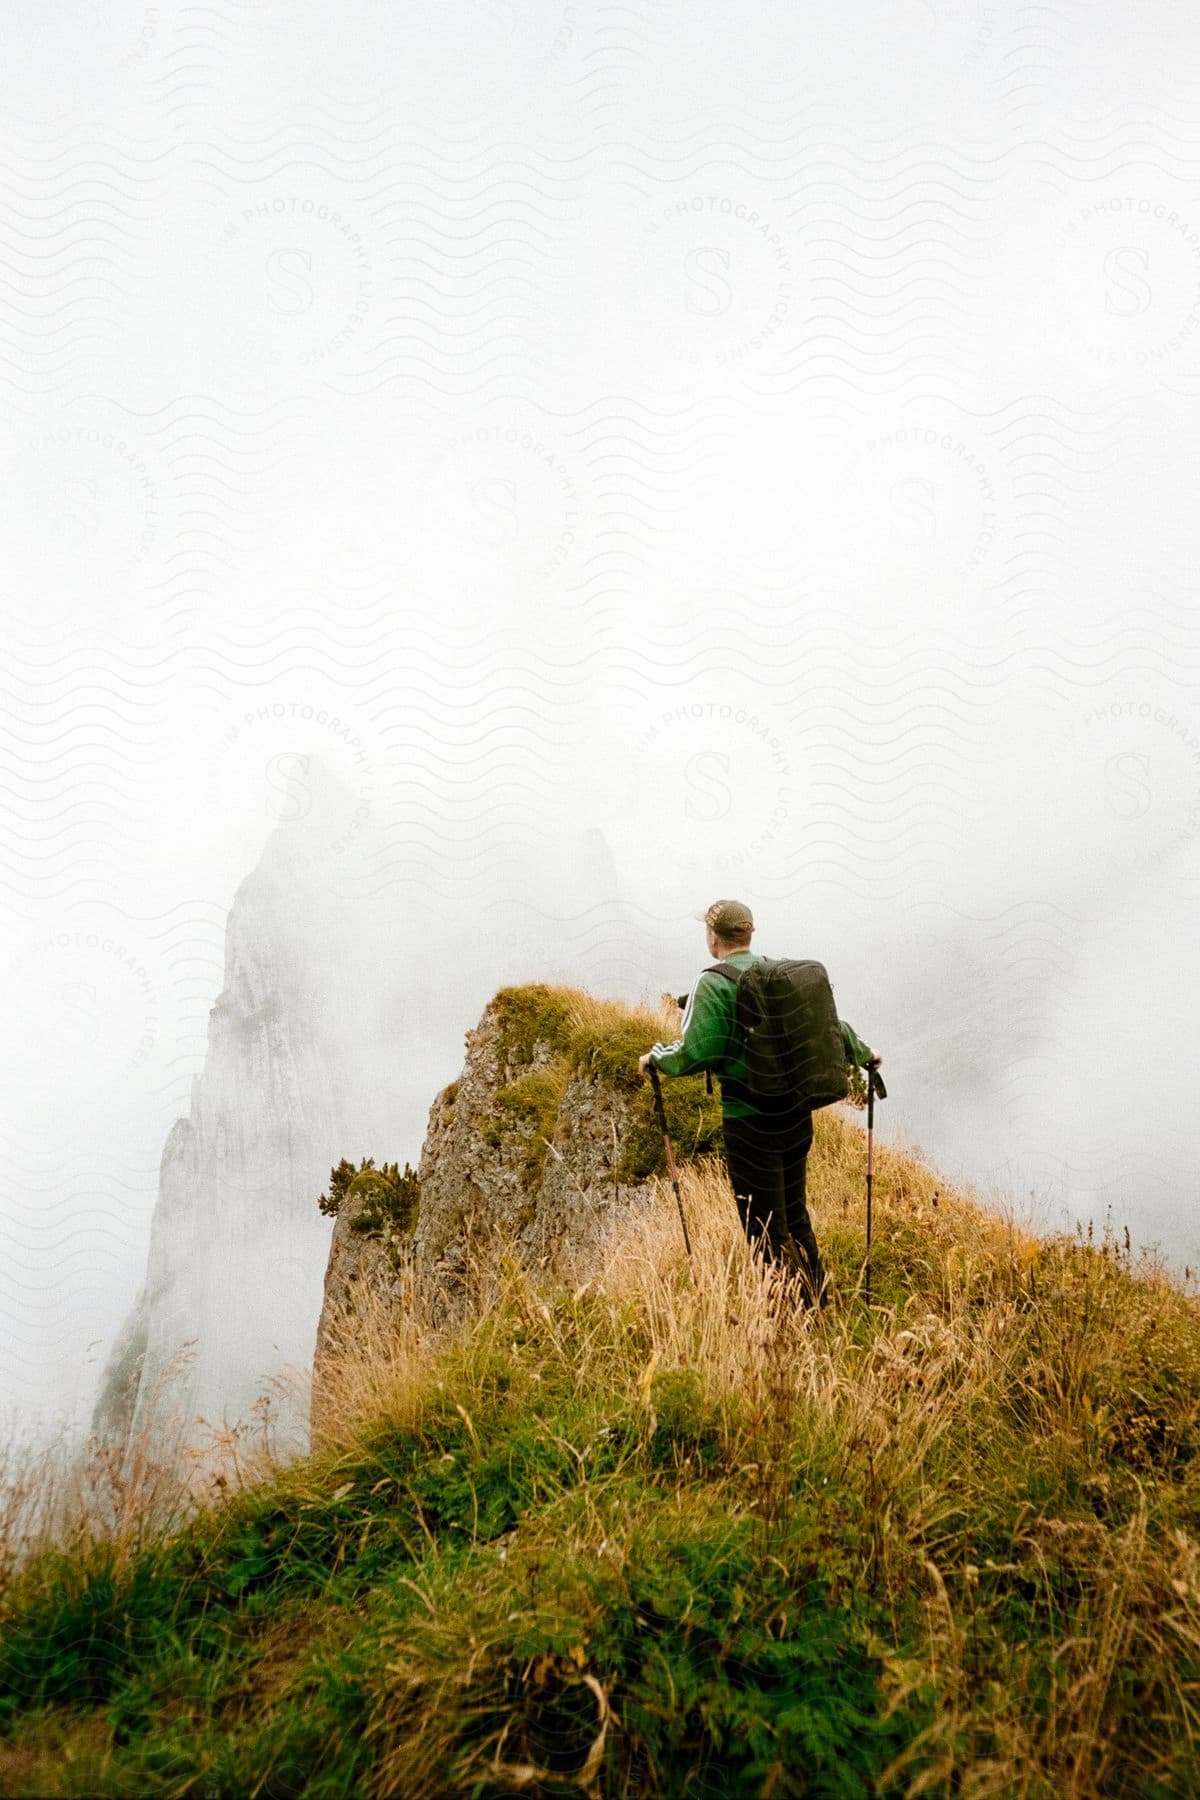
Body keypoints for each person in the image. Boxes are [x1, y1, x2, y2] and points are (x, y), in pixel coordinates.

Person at [637, 899, 881, 1305]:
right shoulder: (780, 974)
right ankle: (817, 1298)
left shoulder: (712, 983)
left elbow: (699, 1051)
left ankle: (792, 1321)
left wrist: (655, 1058)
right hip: (795, 1117)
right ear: (749, 933)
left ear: (713, 936)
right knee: (794, 1212)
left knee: (764, 1227)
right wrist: (863, 1052)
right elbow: (825, 1025)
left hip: (749, 1122)